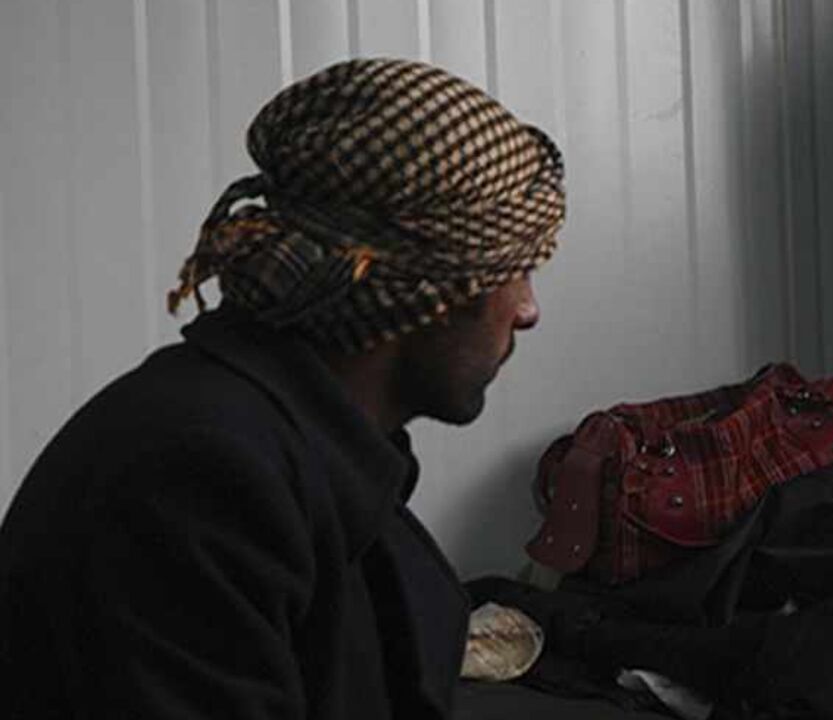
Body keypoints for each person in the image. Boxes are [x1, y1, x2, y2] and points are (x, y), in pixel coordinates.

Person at [0, 58, 564, 718]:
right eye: (517, 269)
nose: (528, 310)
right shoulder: (200, 478)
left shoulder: (294, 446)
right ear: (432, 286)